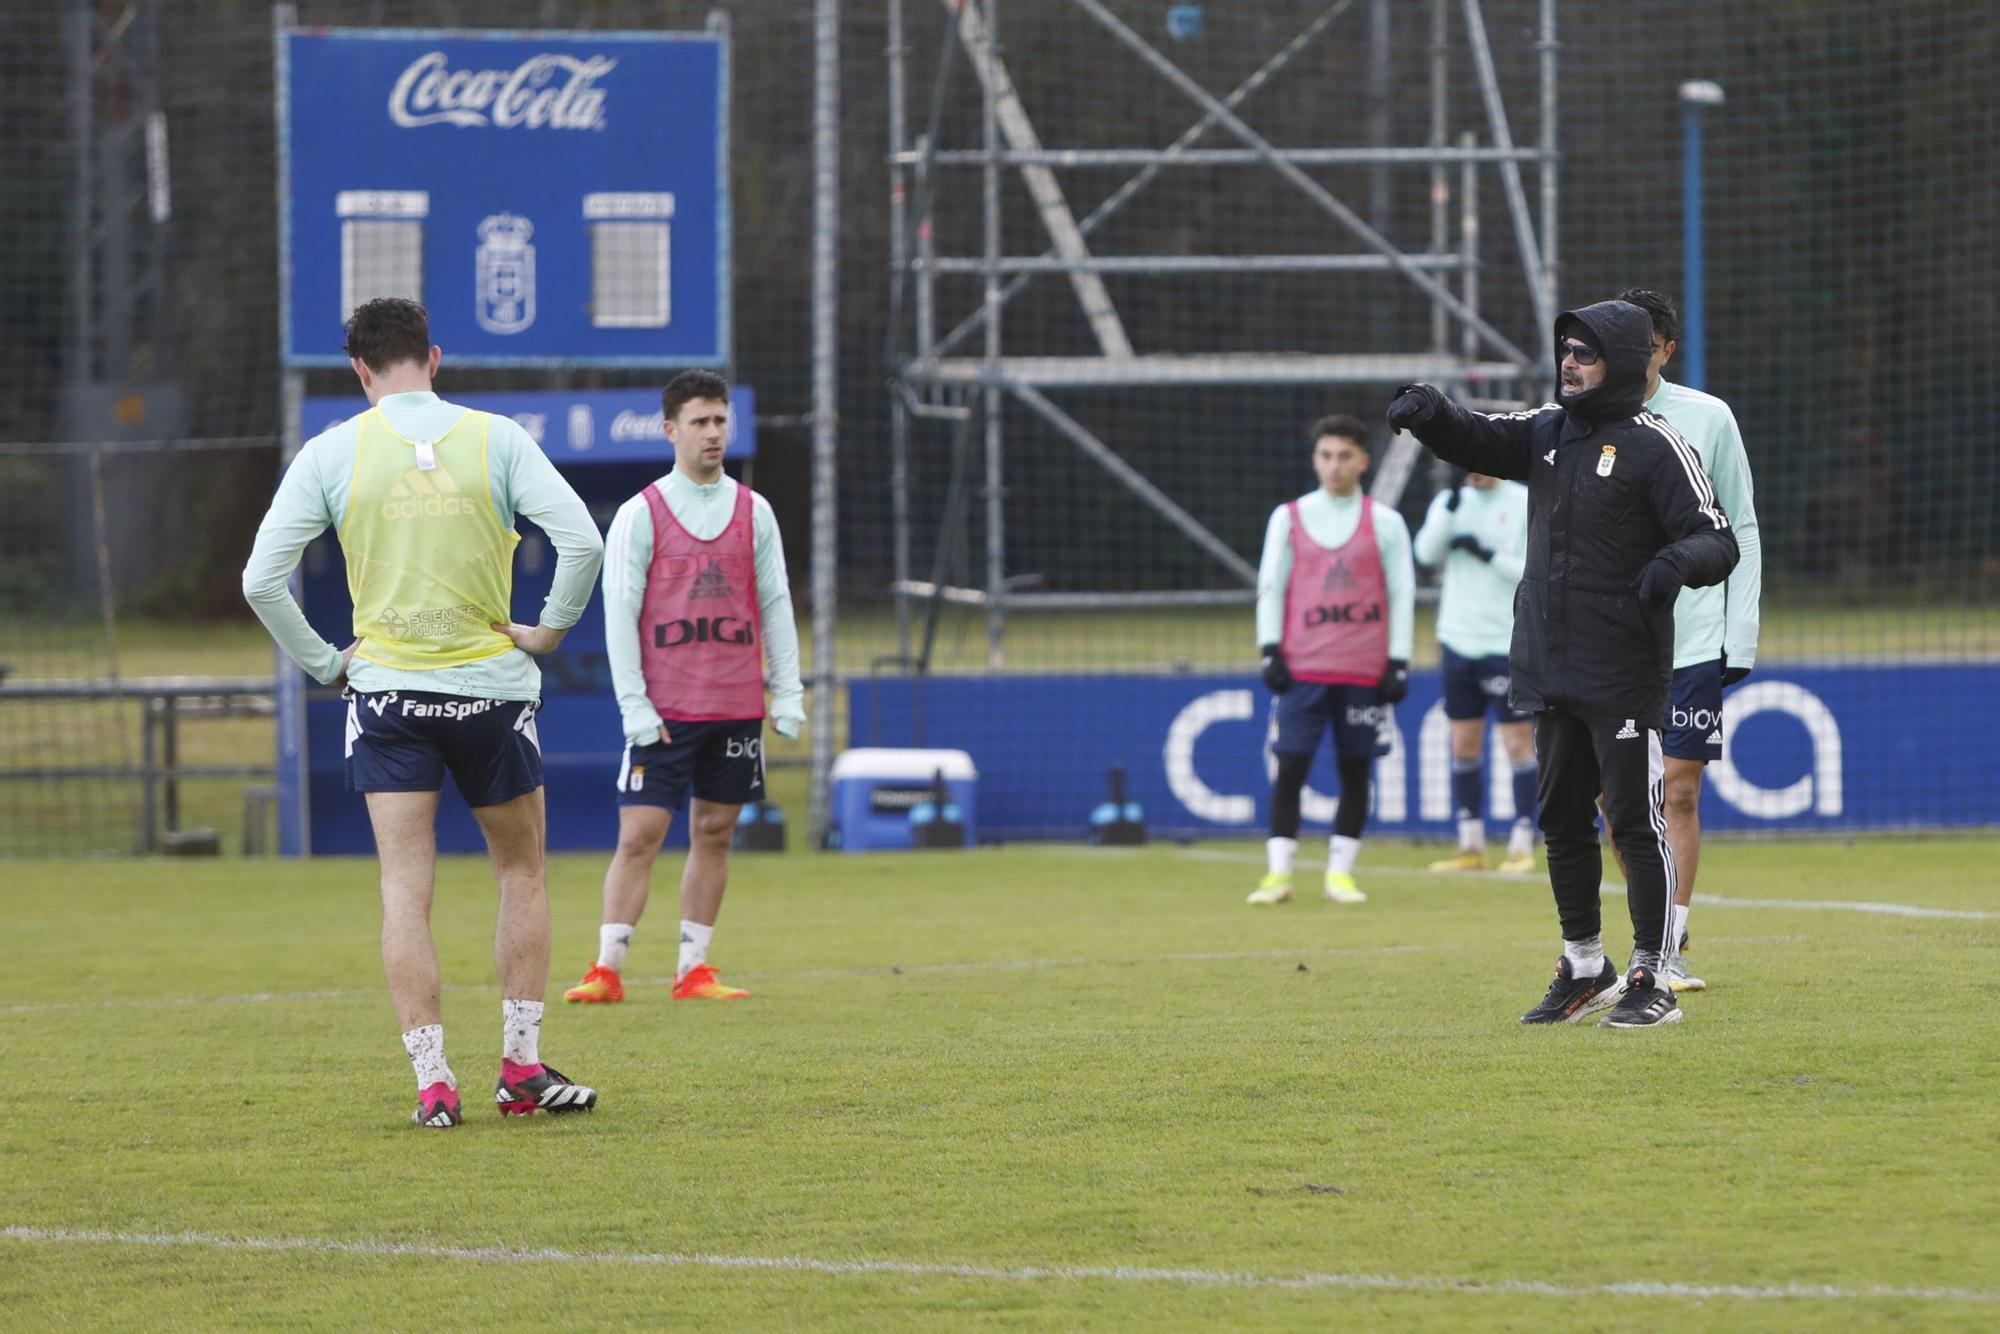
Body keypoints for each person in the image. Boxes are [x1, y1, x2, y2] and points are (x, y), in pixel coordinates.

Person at [242, 297, 606, 1127]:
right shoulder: (497, 437)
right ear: (433, 358)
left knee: (405, 891)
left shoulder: (332, 452)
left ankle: (434, 1083)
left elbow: (261, 580)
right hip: (490, 692)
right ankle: (519, 1070)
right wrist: (547, 631)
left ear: (360, 369)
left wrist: (329, 664)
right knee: (521, 872)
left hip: (389, 696)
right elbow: (582, 542)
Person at [1387, 299, 1738, 1028]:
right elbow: (1477, 437)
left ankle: (1655, 976)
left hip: (1624, 671)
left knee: (1636, 823)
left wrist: (1675, 561)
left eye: (1585, 352)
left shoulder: (1658, 444)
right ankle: (1584, 964)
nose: (1569, 363)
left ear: (1626, 361)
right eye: (1565, 350)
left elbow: (1716, 538)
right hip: (1549, 666)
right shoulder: (1547, 428)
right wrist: (1430, 412)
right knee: (1559, 819)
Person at [563, 370, 805, 1005]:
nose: (714, 433)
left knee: (715, 833)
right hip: (665, 711)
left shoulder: (756, 511)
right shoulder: (642, 513)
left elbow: (775, 602)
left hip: (734, 705)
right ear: (670, 430)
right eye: (700, 422)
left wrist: (788, 690)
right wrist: (634, 705)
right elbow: (619, 611)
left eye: (721, 420)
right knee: (639, 835)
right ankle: (607, 968)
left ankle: (693, 969)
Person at [1598, 287, 1762, 993]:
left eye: (1642, 343)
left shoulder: (1708, 417)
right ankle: (1648, 932)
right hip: (1608, 642)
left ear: (1664, 349)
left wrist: (1741, 634)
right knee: (1619, 803)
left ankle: (1667, 944)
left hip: (1693, 638)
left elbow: (1742, 527)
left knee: (1680, 791)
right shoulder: (1581, 416)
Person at [1248, 414, 1415, 907]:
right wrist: (1269, 647)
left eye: (1344, 456)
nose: (1334, 465)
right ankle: (1278, 875)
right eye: (1326, 455)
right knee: (1291, 766)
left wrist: (1398, 660)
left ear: (1363, 461)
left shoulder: (1384, 522)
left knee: (1355, 769)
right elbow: (1270, 586)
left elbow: (1403, 592)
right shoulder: (1289, 516)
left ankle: (1340, 874)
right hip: (1304, 669)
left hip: (1362, 670)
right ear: (1315, 460)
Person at [1412, 470, 1539, 874]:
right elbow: (1425, 554)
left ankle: (1522, 844)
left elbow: (1532, 569)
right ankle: (1471, 846)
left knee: (1518, 743)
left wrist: (1488, 554)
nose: (1475, 473)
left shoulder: (1521, 499)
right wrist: (1448, 509)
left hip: (1504, 642)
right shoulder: (1452, 502)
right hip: (1457, 640)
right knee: (1462, 743)